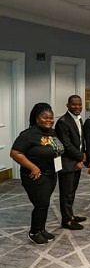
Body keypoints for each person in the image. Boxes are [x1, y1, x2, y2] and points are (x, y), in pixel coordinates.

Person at [10, 103, 64, 244]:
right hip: (35, 175)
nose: (49, 120)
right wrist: (33, 167)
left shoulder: (52, 132)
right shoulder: (28, 135)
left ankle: (41, 229)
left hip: (51, 173)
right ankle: (34, 232)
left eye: (51, 118)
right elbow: (15, 153)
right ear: (36, 118)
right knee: (41, 204)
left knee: (45, 204)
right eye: (45, 117)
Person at [56, 95, 86, 230]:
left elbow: (80, 141)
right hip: (67, 163)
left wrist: (81, 157)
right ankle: (66, 220)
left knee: (72, 191)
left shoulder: (79, 119)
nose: (77, 107)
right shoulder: (63, 122)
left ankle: (70, 215)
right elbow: (66, 146)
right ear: (67, 105)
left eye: (79, 104)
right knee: (66, 192)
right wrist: (80, 157)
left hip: (75, 162)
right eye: (74, 105)